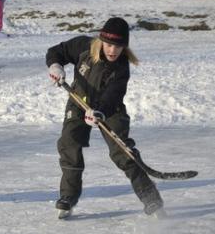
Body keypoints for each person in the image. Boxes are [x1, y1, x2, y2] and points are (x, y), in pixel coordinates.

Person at [46, 17, 164, 218]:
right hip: (78, 101)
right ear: (101, 40)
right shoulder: (83, 46)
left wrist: (99, 111)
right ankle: (68, 197)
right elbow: (55, 51)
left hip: (110, 110)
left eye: (118, 47)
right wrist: (55, 66)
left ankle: (152, 199)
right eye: (109, 45)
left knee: (123, 152)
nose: (112, 50)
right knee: (69, 144)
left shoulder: (121, 67)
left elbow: (113, 95)